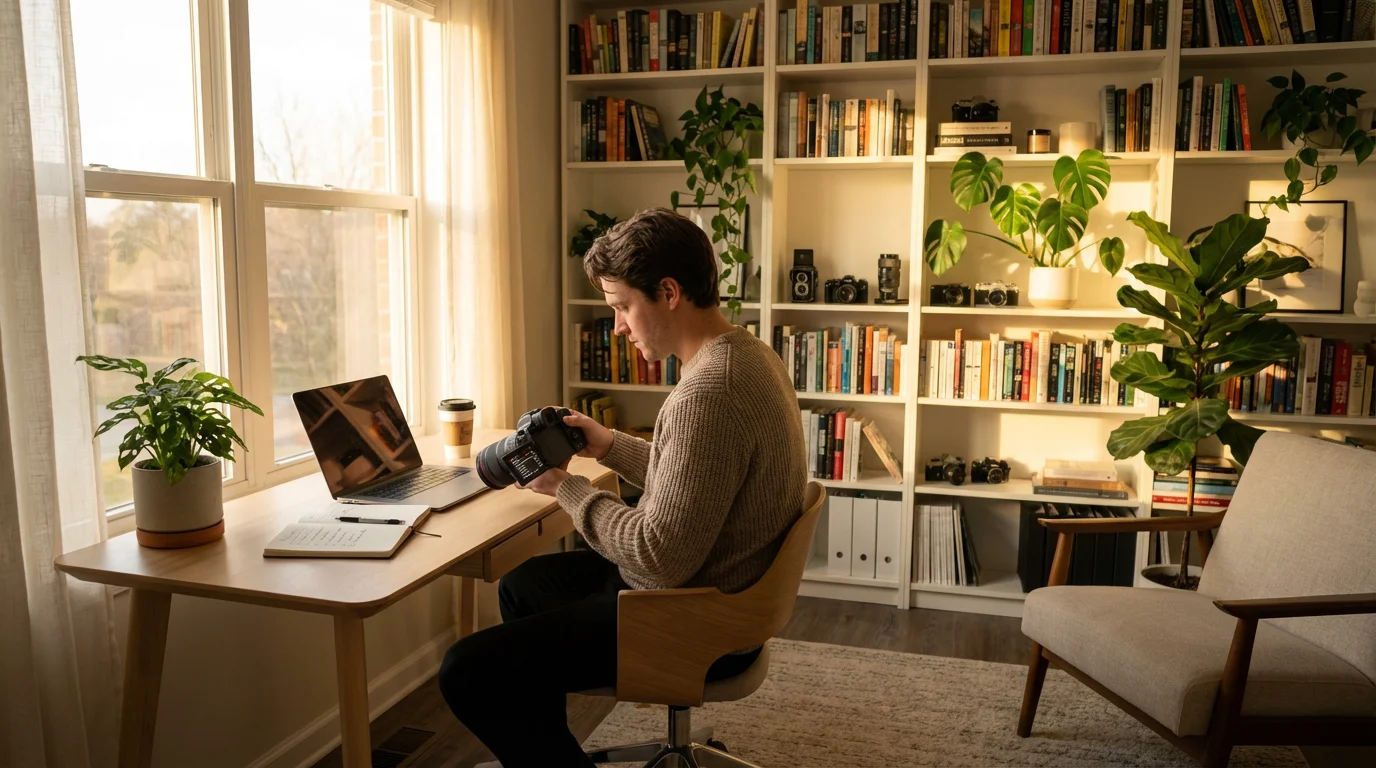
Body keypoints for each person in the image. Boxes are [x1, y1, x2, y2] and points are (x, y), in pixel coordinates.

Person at [438, 207, 808, 766]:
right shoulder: (748, 355)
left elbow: (658, 557)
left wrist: (564, 487)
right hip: (722, 590)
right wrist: (608, 445)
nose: (618, 327)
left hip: (694, 618)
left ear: (668, 292)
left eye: (621, 306)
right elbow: (698, 478)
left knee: (467, 670)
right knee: (520, 588)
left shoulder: (708, 392)